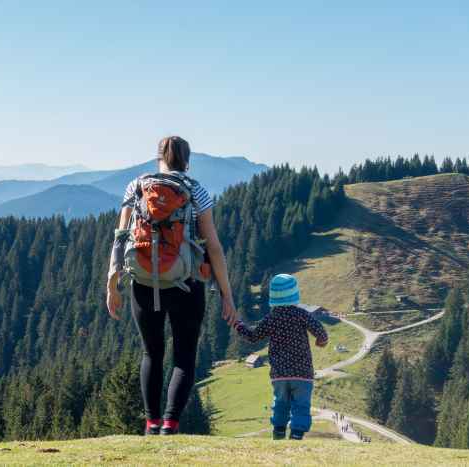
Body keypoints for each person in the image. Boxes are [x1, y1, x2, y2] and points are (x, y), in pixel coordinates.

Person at [106, 136, 238, 435]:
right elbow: (213, 246)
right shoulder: (196, 192)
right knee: (184, 356)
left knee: (151, 353)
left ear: (158, 159)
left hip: (143, 281)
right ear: (187, 161)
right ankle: (170, 424)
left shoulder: (136, 187)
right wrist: (227, 297)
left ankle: (151, 423)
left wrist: (112, 285)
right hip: (186, 284)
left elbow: (121, 236)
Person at [233, 274, 328, 440]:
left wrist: (238, 325)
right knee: (301, 405)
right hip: (302, 372)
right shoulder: (301, 314)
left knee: (281, 404)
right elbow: (320, 332)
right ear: (295, 294)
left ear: (273, 297)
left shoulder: (272, 318)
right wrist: (322, 341)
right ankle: (297, 435)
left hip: (280, 374)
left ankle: (278, 433)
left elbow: (253, 336)